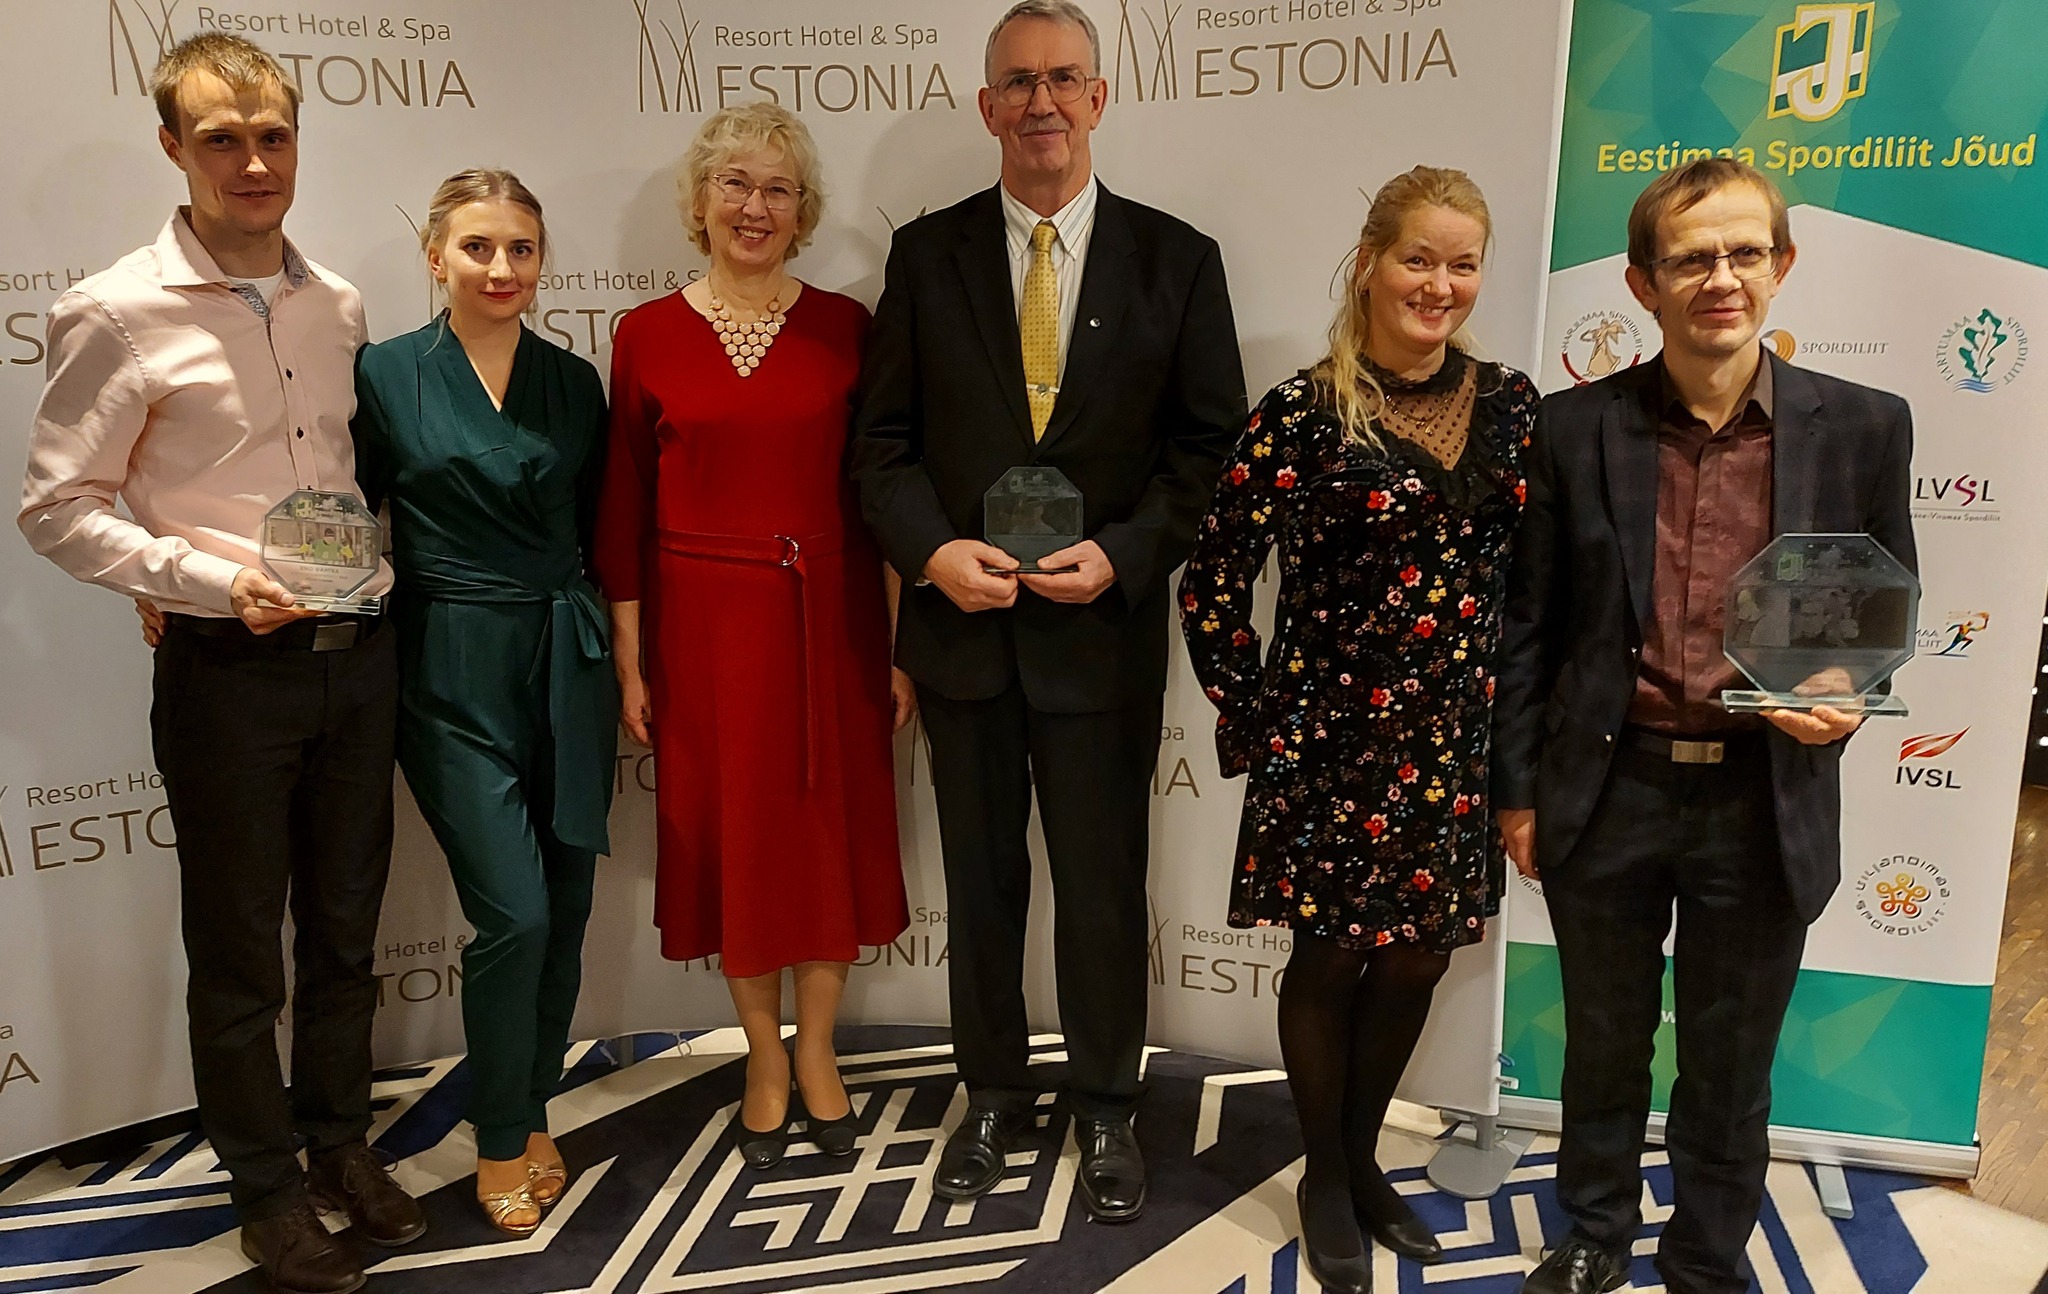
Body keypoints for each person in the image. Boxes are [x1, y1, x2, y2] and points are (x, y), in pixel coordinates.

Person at [17, 33, 423, 1294]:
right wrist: (194, 580)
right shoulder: (113, 310)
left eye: (273, 136)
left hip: (357, 656)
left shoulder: (335, 301)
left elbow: (345, 478)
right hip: (228, 671)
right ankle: (265, 1189)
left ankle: (338, 1142)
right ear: (172, 147)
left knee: (346, 931)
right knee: (243, 951)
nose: (254, 163)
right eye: (221, 139)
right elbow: (56, 508)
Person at [849, 0, 1246, 1222]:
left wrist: (1122, 558)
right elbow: (880, 448)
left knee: (1100, 888)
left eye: (1062, 78)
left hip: (1096, 639)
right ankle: (990, 1093)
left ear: (1097, 98)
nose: (1040, 102)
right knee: (980, 891)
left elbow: (1207, 452)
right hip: (962, 635)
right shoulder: (925, 257)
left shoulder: (1176, 259)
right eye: (1017, 82)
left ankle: (1108, 1103)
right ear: (986, 107)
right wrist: (931, 554)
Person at [1496, 157, 1916, 1294]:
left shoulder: (1864, 426)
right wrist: (1516, 791)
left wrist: (1846, 699)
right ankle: (1593, 1233)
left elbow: (1880, 606)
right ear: (1643, 284)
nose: (1719, 277)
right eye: (1690, 259)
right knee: (1603, 1041)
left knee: (1730, 1063)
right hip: (1608, 785)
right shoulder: (1570, 428)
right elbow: (1528, 624)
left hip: (1761, 792)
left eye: (1742, 252)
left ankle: (1704, 1255)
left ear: (1781, 266)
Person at [1181, 167, 1535, 1292]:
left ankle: (1362, 1155)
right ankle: (1325, 1176)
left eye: (1463, 263)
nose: (1440, 285)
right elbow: (1213, 580)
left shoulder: (1514, 406)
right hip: (1329, 746)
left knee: (1419, 958)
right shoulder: (1299, 411)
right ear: (1370, 263)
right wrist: (1257, 717)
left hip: (1455, 744)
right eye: (1418, 258)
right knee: (1330, 958)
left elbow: (1536, 585)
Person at [592, 102, 911, 1171]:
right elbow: (624, 507)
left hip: (832, 623)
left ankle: (817, 1049)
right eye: (734, 183)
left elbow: (880, 500)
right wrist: (631, 657)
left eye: (778, 188)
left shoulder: (847, 328)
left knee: (820, 847)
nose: (754, 206)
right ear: (700, 201)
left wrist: (898, 648)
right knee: (734, 845)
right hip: (701, 630)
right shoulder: (643, 334)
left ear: (802, 209)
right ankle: (762, 1056)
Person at [349, 170, 616, 1236]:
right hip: (447, 666)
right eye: (477, 247)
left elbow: (598, 529)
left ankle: (531, 1103)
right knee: (515, 912)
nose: (501, 268)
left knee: (568, 904)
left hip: (566, 659)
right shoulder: (385, 373)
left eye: (521, 249)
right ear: (435, 256)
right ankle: (500, 1135)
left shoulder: (573, 380)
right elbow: (342, 515)